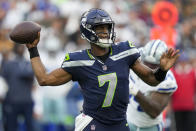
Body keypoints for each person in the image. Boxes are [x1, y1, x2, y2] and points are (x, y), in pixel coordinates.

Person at [25, 8, 179, 131]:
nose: (105, 31)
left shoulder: (125, 51)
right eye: (99, 28)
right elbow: (44, 79)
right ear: (87, 32)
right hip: (93, 123)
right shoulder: (78, 60)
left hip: (120, 124)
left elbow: (152, 80)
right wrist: (33, 50)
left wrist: (162, 70)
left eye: (107, 27)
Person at [127, 39, 178, 131]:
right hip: (127, 120)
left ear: (162, 64)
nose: (148, 67)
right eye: (146, 63)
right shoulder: (135, 59)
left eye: (153, 65)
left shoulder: (167, 81)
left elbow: (154, 112)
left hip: (149, 127)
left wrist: (135, 91)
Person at [0, 44, 35, 131]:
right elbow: (3, 80)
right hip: (12, 100)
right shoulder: (9, 64)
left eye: (22, 47)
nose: (21, 49)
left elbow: (31, 75)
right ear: (15, 49)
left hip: (26, 100)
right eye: (19, 47)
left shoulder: (28, 63)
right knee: (11, 126)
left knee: (30, 126)